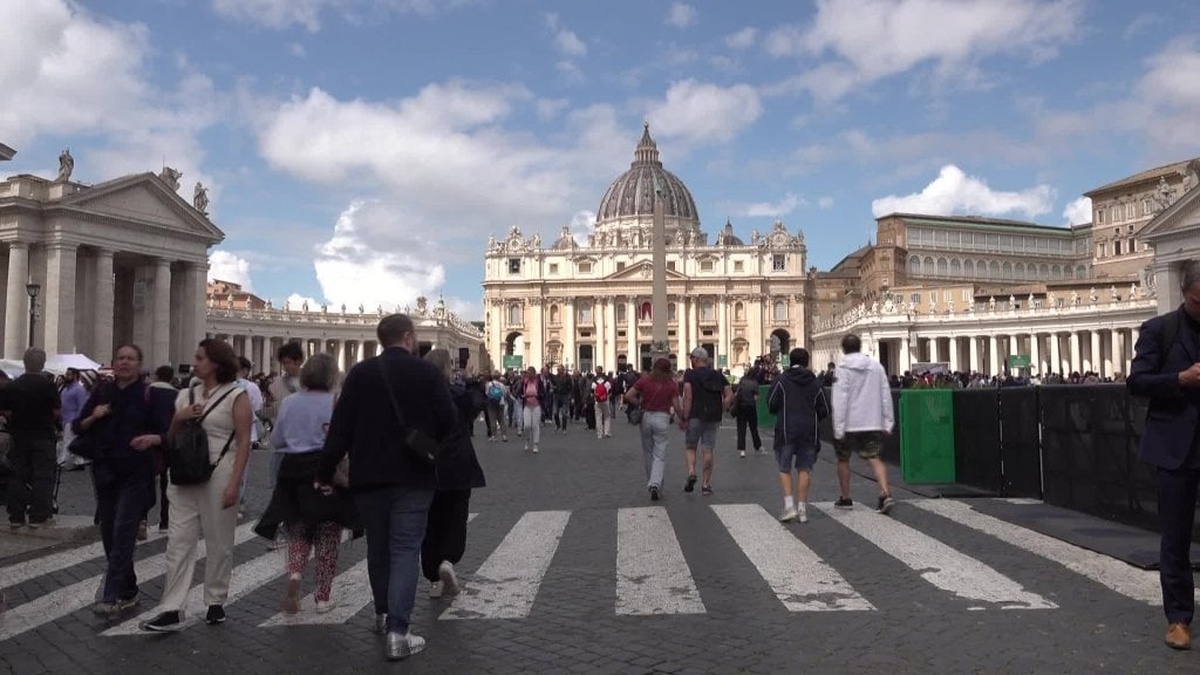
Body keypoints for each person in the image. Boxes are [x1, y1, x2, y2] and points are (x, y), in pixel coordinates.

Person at [316, 314, 457, 661]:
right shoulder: (427, 373)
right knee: (406, 549)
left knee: (378, 549)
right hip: (413, 474)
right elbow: (449, 421)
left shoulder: (360, 374)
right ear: (408, 338)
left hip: (369, 477)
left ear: (381, 340)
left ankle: (381, 615)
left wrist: (324, 470)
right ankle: (399, 631)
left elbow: (341, 427)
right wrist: (428, 443)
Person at [140, 339, 253, 632]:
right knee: (178, 540)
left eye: (200, 358)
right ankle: (172, 607)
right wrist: (179, 417)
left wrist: (235, 483)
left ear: (216, 362)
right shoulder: (184, 394)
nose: (195, 362)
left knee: (219, 540)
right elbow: (171, 436)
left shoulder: (236, 396)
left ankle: (215, 600)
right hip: (184, 472)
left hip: (220, 471)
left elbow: (244, 443)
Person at [1127, 261, 1200, 651]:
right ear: (1186, 295)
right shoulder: (1160, 329)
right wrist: (1180, 380)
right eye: (1196, 303)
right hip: (1176, 447)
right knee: (1175, 537)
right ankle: (1178, 619)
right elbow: (1136, 382)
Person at [74, 344, 172, 616]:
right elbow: (76, 426)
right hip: (105, 471)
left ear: (139, 364)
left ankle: (112, 594)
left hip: (136, 472)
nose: (125, 363)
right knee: (109, 534)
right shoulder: (101, 392)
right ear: (115, 363)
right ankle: (129, 591)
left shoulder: (151, 395)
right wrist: (95, 416)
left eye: (131, 359)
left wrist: (154, 439)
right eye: (121, 358)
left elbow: (169, 434)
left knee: (124, 531)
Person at [255, 353, 354, 615]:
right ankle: (322, 598)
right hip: (326, 471)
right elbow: (345, 439)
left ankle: (296, 574)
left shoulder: (289, 403)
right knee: (328, 536)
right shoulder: (336, 402)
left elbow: (277, 440)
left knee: (298, 530)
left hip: (294, 470)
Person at [421, 349, 486, 599]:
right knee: (456, 518)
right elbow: (478, 403)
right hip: (458, 465)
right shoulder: (457, 394)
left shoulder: (418, 399)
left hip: (428, 466)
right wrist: (470, 379)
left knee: (430, 524)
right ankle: (449, 560)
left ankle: (433, 578)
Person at [830, 334, 895, 514]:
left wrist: (838, 427)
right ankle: (885, 492)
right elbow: (885, 394)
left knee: (843, 459)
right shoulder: (876, 367)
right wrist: (888, 421)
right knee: (874, 458)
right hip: (871, 420)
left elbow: (840, 399)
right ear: (859, 347)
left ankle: (846, 497)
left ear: (843, 349)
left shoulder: (841, 368)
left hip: (849, 423)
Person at [767, 348, 829, 523]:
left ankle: (789, 506)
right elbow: (824, 408)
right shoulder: (815, 382)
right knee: (804, 469)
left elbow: (771, 403)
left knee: (784, 468)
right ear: (807, 361)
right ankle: (802, 509)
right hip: (809, 430)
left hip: (786, 429)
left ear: (790, 361)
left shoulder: (781, 380)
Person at [2, 348, 62, 528]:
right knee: (42, 476)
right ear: (42, 364)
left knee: (17, 476)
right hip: (43, 436)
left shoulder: (13, 385)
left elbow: (6, 412)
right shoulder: (48, 385)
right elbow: (57, 411)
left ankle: (16, 516)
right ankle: (38, 516)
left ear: (24, 362)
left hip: (18, 436)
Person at [679, 347, 734, 496]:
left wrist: (684, 416)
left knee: (691, 446)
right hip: (713, 416)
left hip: (695, 415)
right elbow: (729, 395)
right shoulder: (717, 375)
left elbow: (688, 397)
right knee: (708, 449)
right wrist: (722, 407)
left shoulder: (690, 375)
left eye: (691, 359)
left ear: (696, 359)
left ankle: (691, 472)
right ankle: (705, 485)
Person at [624, 358, 678, 501]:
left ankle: (653, 482)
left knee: (648, 452)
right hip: (662, 418)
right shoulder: (671, 384)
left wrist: (639, 403)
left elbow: (628, 396)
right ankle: (655, 484)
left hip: (646, 417)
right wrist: (683, 418)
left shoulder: (644, 381)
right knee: (659, 455)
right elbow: (676, 406)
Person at [57, 368, 90, 470]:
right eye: (66, 374)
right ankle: (78, 462)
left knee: (68, 440)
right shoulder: (65, 389)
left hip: (73, 419)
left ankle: (64, 461)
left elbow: (82, 406)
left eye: (69, 374)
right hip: (65, 419)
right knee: (69, 440)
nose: (66, 376)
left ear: (75, 376)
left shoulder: (79, 389)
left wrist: (78, 421)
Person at [734, 369, 763, 458]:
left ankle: (742, 450)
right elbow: (756, 398)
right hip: (751, 407)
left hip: (741, 406)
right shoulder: (755, 383)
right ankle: (757, 445)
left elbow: (737, 393)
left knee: (741, 428)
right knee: (753, 428)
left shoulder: (742, 381)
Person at [518, 366, 546, 453]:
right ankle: (527, 439)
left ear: (534, 373)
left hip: (536, 405)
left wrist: (538, 395)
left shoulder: (538, 382)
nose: (529, 375)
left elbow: (543, 393)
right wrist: (522, 396)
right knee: (527, 425)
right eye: (528, 373)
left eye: (530, 373)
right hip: (527, 405)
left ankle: (535, 444)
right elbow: (519, 392)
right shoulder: (524, 382)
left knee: (535, 425)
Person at [484, 372, 508, 442]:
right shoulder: (501, 385)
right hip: (501, 403)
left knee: (492, 420)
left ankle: (494, 436)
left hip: (491, 404)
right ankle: (504, 435)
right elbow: (504, 393)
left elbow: (487, 393)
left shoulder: (489, 384)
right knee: (501, 419)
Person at [592, 371, 613, 439]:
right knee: (607, 416)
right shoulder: (607, 383)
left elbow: (592, 393)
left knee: (598, 417)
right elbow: (610, 392)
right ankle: (607, 432)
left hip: (597, 402)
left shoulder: (594, 383)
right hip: (605, 401)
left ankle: (599, 434)